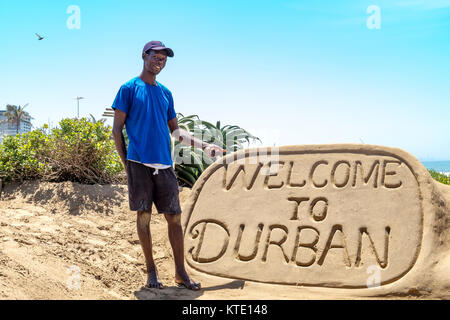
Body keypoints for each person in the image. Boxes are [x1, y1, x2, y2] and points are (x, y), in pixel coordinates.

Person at [111, 41, 224, 290]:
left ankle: (180, 273)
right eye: (155, 57)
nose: (159, 62)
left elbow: (176, 131)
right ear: (144, 56)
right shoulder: (128, 89)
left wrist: (205, 147)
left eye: (163, 59)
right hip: (138, 162)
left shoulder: (165, 93)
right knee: (144, 217)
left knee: (174, 218)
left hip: (164, 164)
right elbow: (117, 128)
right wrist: (125, 162)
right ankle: (151, 272)